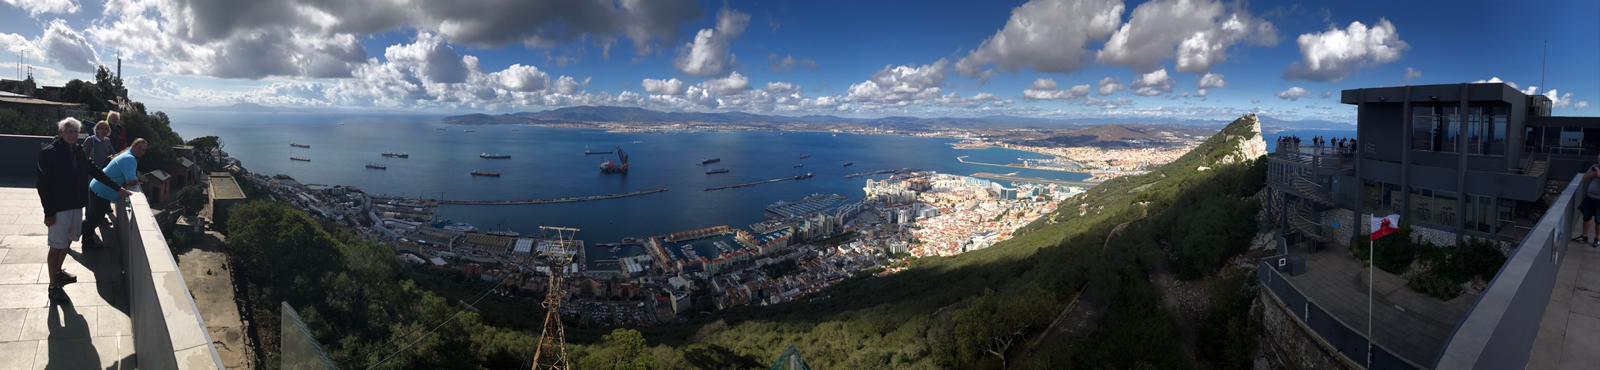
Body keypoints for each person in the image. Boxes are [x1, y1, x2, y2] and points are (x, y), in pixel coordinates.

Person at [36, 118, 130, 300]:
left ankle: (58, 272)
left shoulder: (78, 151)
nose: (72, 135)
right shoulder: (48, 154)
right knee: (56, 247)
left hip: (77, 205)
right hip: (58, 208)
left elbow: (95, 171)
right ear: (61, 132)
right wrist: (49, 212)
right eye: (69, 131)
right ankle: (53, 285)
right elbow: (43, 186)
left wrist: (117, 188)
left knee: (68, 242)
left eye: (75, 132)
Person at [85, 138, 145, 249]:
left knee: (95, 218)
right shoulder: (130, 159)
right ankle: (70, 236)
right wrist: (139, 179)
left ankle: (86, 242)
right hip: (101, 190)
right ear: (133, 146)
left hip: (99, 187)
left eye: (143, 150)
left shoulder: (126, 153)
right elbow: (130, 181)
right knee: (95, 219)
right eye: (139, 148)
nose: (141, 151)